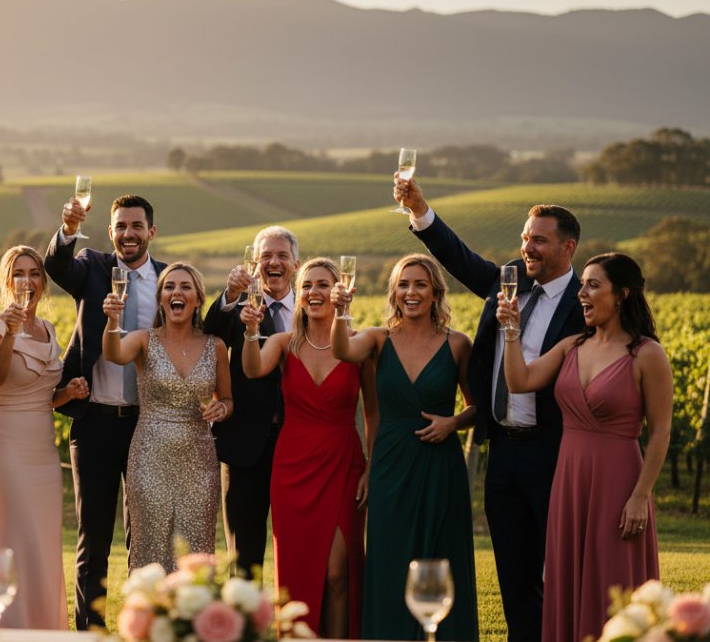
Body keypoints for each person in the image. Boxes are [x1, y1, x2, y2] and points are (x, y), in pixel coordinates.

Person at [397, 176, 583, 642]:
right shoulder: (508, 281)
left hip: (556, 453)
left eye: (538, 239)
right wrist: (421, 211)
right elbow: (460, 259)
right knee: (514, 579)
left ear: (568, 247)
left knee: (559, 577)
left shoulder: (585, 303)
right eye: (525, 238)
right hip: (502, 453)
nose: (527, 247)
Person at [498, 252, 672, 642]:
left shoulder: (647, 354)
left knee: (613, 581)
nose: (582, 293)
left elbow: (661, 432)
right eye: (582, 284)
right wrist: (511, 331)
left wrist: (641, 495)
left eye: (593, 285)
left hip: (619, 483)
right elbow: (520, 380)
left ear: (622, 294)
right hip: (570, 481)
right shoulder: (572, 345)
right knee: (567, 583)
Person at [331, 254, 479, 641]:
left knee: (441, 560)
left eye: (419, 284)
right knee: (392, 562)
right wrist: (341, 313)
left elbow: (480, 407)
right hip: (391, 465)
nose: (410, 292)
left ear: (435, 293)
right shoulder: (378, 340)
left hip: (440, 467)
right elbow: (343, 351)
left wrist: (454, 423)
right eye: (403, 284)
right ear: (394, 293)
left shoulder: (458, 345)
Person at [45, 194, 167, 629]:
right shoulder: (92, 268)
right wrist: (68, 229)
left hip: (147, 425)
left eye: (137, 226)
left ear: (151, 231)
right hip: (94, 422)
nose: (128, 234)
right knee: (93, 543)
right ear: (111, 231)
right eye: (121, 226)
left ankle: (144, 630)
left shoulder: (169, 279)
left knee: (145, 543)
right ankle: (89, 634)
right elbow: (56, 267)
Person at [239, 257, 376, 639]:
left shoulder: (361, 345)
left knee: (337, 573)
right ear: (298, 296)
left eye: (322, 285)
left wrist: (371, 467)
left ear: (339, 291)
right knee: (296, 573)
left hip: (342, 461)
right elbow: (252, 370)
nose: (314, 292)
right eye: (307, 286)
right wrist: (251, 332)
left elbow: (374, 415)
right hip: (293, 467)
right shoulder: (285, 342)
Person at [0, 245, 88, 629]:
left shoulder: (47, 329)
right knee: (11, 539)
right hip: (5, 443)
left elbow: (45, 398)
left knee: (42, 541)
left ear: (43, 282)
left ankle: (42, 627)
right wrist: (9, 332)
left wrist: (68, 394)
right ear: (7, 282)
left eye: (34, 274)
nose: (27, 281)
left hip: (41, 446)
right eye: (19, 274)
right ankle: (4, 626)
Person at [102, 262, 232, 572]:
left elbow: (227, 399)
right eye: (169, 287)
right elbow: (114, 354)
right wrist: (112, 321)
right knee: (151, 549)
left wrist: (222, 409)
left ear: (198, 299)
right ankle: (148, 617)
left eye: (185, 287)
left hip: (199, 462)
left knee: (195, 552)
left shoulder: (216, 347)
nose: (177, 292)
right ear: (161, 298)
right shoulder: (144, 340)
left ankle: (192, 619)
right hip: (150, 458)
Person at [202, 226, 298, 579]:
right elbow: (207, 332)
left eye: (282, 256)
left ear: (295, 264)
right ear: (255, 264)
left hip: (299, 446)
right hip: (245, 447)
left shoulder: (310, 306)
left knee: (300, 546)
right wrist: (230, 292)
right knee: (243, 559)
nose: (274, 262)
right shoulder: (239, 307)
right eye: (266, 256)